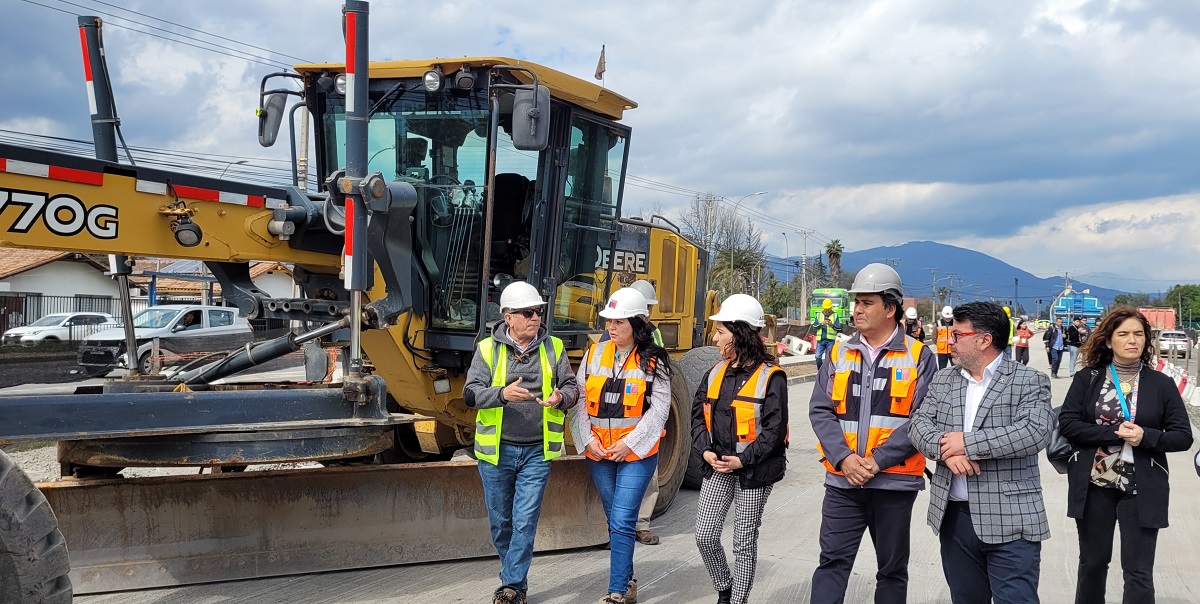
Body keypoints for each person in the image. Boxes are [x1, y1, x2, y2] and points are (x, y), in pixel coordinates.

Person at [908, 301, 1053, 604]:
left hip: (1011, 521)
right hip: (955, 519)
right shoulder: (944, 378)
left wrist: (968, 443)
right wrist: (947, 450)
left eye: (958, 334)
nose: (950, 340)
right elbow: (918, 424)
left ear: (983, 340)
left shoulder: (1028, 381)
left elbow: (1033, 432)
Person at [808, 263, 936, 604]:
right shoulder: (838, 352)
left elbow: (923, 419)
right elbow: (820, 410)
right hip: (843, 482)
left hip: (894, 483)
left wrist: (877, 461)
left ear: (890, 308)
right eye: (856, 302)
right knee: (831, 563)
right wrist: (845, 458)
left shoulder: (920, 356)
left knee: (892, 571)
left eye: (866, 303)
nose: (857, 310)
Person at [1058, 306, 1194, 604]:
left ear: (1147, 340)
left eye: (1138, 334)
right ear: (1109, 341)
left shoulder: (1161, 383)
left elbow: (1183, 436)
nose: (1132, 340)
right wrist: (1113, 432)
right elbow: (1068, 424)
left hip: (1142, 488)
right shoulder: (1088, 378)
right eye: (1123, 334)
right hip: (1094, 485)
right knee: (1092, 565)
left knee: (1138, 571)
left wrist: (1147, 436)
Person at [463, 281, 579, 604]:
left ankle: (511, 586)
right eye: (527, 312)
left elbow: (572, 389)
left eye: (538, 312)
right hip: (496, 453)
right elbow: (470, 394)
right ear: (508, 317)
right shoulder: (487, 349)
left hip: (536, 453)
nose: (535, 318)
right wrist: (502, 394)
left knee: (525, 521)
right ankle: (515, 580)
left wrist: (560, 397)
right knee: (502, 524)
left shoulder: (553, 348)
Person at [570, 287, 671, 604]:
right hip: (598, 454)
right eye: (609, 321)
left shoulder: (654, 361)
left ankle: (616, 592)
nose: (611, 328)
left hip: (637, 455)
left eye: (619, 322)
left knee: (624, 519)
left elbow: (659, 411)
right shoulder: (593, 354)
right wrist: (589, 441)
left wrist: (628, 444)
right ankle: (627, 584)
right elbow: (579, 403)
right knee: (616, 521)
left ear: (638, 324)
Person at [693, 294, 789, 604]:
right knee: (705, 535)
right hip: (718, 464)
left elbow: (774, 433)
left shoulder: (771, 378)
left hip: (754, 471)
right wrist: (705, 451)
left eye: (720, 331)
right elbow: (698, 417)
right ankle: (724, 586)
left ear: (740, 333)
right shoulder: (715, 373)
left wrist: (742, 460)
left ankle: (737, 600)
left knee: (743, 544)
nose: (714, 337)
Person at [629, 279, 663, 546]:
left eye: (648, 308)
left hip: (646, 414)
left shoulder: (655, 334)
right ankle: (619, 525)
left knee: (648, 476)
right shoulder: (612, 334)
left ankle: (641, 525)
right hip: (619, 419)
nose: (647, 313)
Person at [814, 298, 842, 371]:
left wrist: (832, 325)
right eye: (825, 309)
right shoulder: (819, 315)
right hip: (820, 340)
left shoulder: (835, 315)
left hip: (830, 341)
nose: (827, 310)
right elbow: (814, 326)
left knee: (828, 358)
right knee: (817, 357)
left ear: (831, 307)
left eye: (828, 309)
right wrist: (821, 324)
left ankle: (826, 372)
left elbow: (839, 329)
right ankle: (820, 370)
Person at [934, 305, 955, 369]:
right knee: (942, 369)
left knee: (955, 368)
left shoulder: (955, 323)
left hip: (953, 350)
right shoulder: (938, 323)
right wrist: (939, 344)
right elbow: (934, 336)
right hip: (942, 351)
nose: (948, 318)